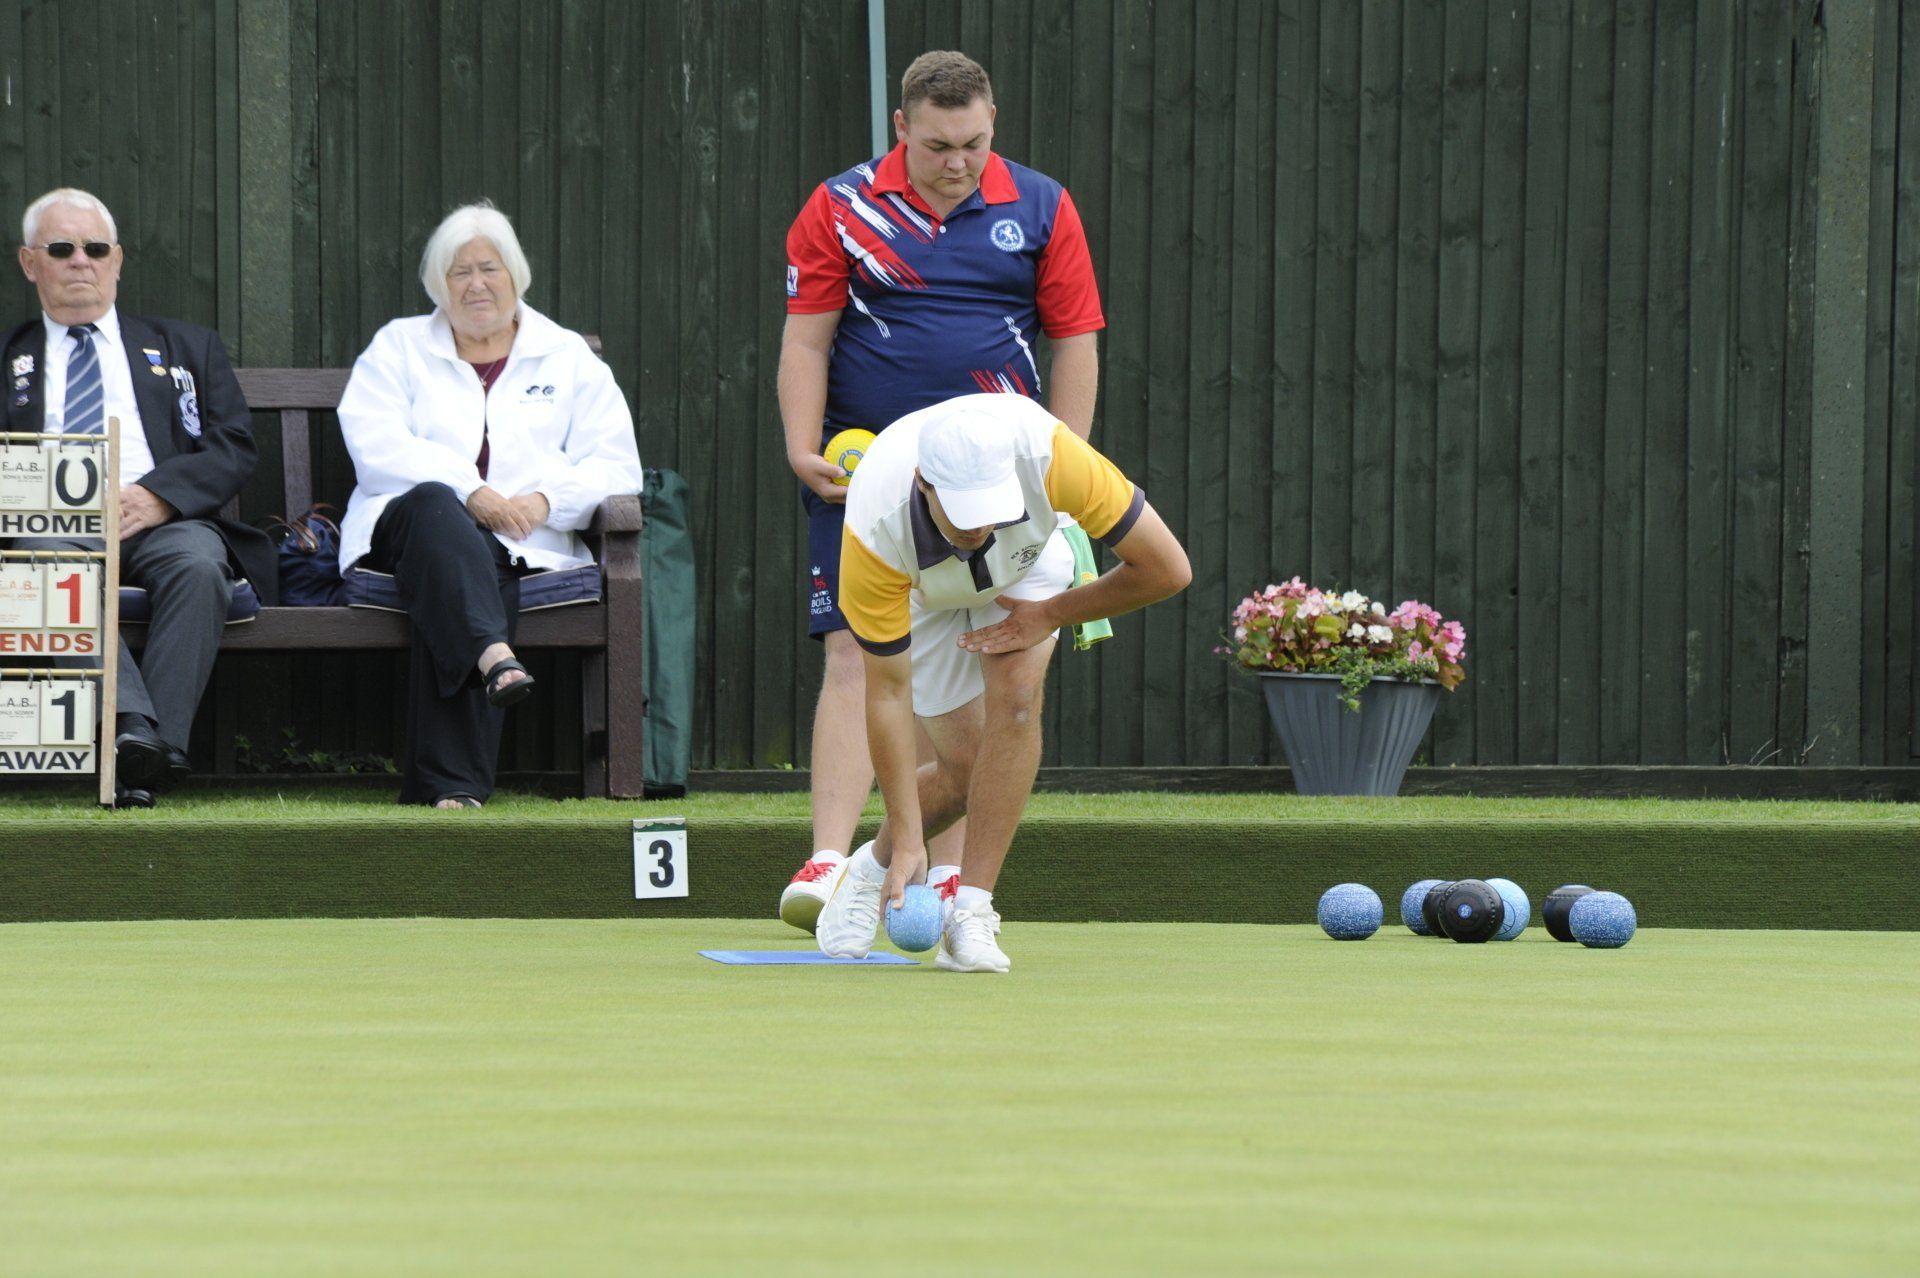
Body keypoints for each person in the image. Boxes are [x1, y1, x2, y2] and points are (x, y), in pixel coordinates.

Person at [777, 49, 1106, 931]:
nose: (956, 162)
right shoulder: (841, 205)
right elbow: (807, 338)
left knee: (976, 665)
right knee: (856, 653)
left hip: (995, 485)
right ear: (901, 129)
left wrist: (1065, 468)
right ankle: (828, 859)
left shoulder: (1042, 205)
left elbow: (1075, 341)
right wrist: (801, 446)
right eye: (935, 146)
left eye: (972, 143)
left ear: (992, 122)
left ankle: (949, 876)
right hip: (868, 483)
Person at [814, 393, 1190, 971]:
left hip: (1028, 568)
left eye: (989, 506)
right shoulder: (874, 528)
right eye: (963, 510)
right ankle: (867, 870)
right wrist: (908, 839)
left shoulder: (1053, 456)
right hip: (924, 592)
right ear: (924, 483)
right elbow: (887, 694)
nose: (979, 525)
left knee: (1015, 703)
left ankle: (972, 911)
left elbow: (1168, 569)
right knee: (966, 773)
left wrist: (1052, 614)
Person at [335, 201, 642, 809]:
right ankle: (491, 663)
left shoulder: (567, 356)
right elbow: (374, 443)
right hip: (406, 530)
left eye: (489, 269)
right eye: (460, 272)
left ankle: (456, 774)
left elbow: (616, 465)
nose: (476, 284)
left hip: (519, 542)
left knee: (473, 566)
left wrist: (547, 501)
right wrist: (467, 489)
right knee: (435, 505)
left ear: (515, 275)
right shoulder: (398, 346)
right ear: (439, 285)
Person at [3, 188, 274, 808]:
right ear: (30, 262)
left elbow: (234, 445)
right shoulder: (7, 355)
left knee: (199, 565)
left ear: (117, 260)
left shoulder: (186, 347)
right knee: (45, 561)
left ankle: (145, 746)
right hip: (49, 524)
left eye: (96, 249)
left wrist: (159, 496)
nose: (81, 261)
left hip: (163, 520)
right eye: (62, 248)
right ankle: (139, 735)